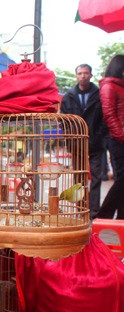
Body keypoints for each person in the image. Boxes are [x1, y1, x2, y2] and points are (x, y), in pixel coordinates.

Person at [60, 63, 104, 219]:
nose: (83, 76)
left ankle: (94, 211)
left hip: (97, 143)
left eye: (86, 73)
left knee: (97, 176)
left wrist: (99, 137)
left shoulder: (99, 94)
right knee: (79, 176)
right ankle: (80, 208)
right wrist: (69, 139)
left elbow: (104, 119)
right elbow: (63, 121)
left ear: (91, 75)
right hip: (76, 142)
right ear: (76, 75)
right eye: (80, 73)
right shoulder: (68, 96)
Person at [96, 55, 124, 220]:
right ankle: (103, 215)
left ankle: (121, 218)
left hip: (119, 137)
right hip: (117, 139)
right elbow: (109, 114)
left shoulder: (120, 86)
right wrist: (121, 135)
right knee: (122, 179)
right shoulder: (109, 86)